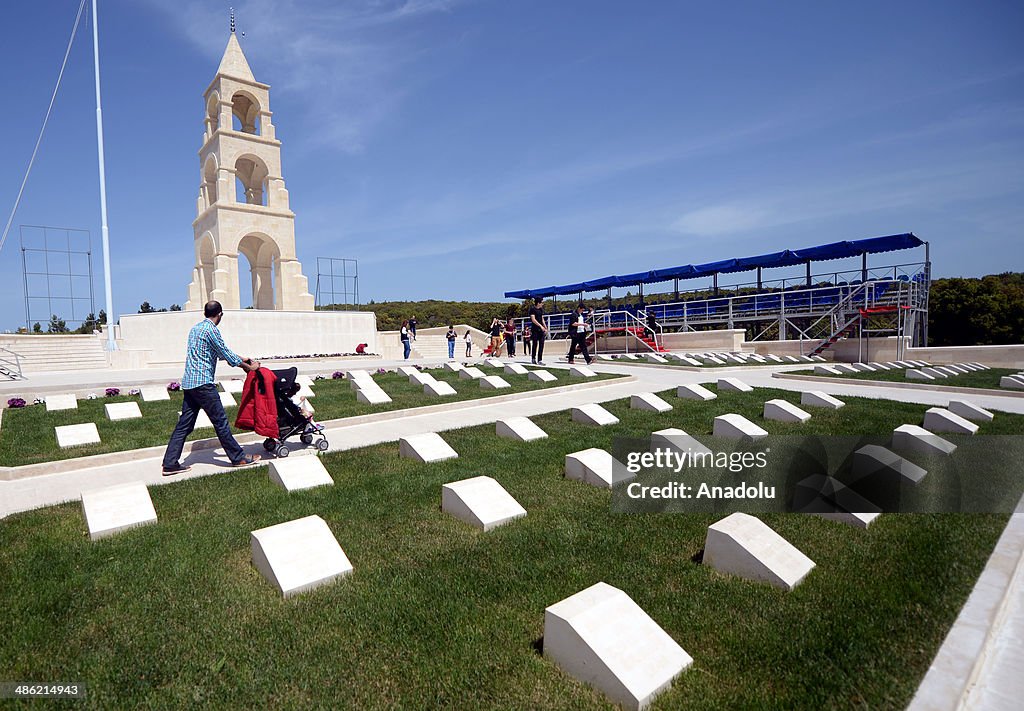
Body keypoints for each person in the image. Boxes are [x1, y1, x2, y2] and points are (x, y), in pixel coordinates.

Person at [161, 300, 261, 475]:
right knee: (220, 422)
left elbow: (219, 351)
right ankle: (238, 458)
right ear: (220, 314)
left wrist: (244, 358)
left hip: (190, 384)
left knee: (184, 425)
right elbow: (225, 353)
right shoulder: (211, 330)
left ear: (205, 313)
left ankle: (170, 463)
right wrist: (249, 367)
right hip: (204, 385)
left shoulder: (195, 329)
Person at [528, 296, 547, 365]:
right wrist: (540, 326)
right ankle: (533, 358)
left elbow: (542, 319)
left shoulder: (541, 310)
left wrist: (545, 326)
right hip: (535, 329)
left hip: (541, 329)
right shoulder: (532, 310)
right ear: (538, 303)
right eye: (541, 302)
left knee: (541, 344)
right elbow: (533, 320)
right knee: (535, 344)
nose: (542, 304)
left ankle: (540, 359)